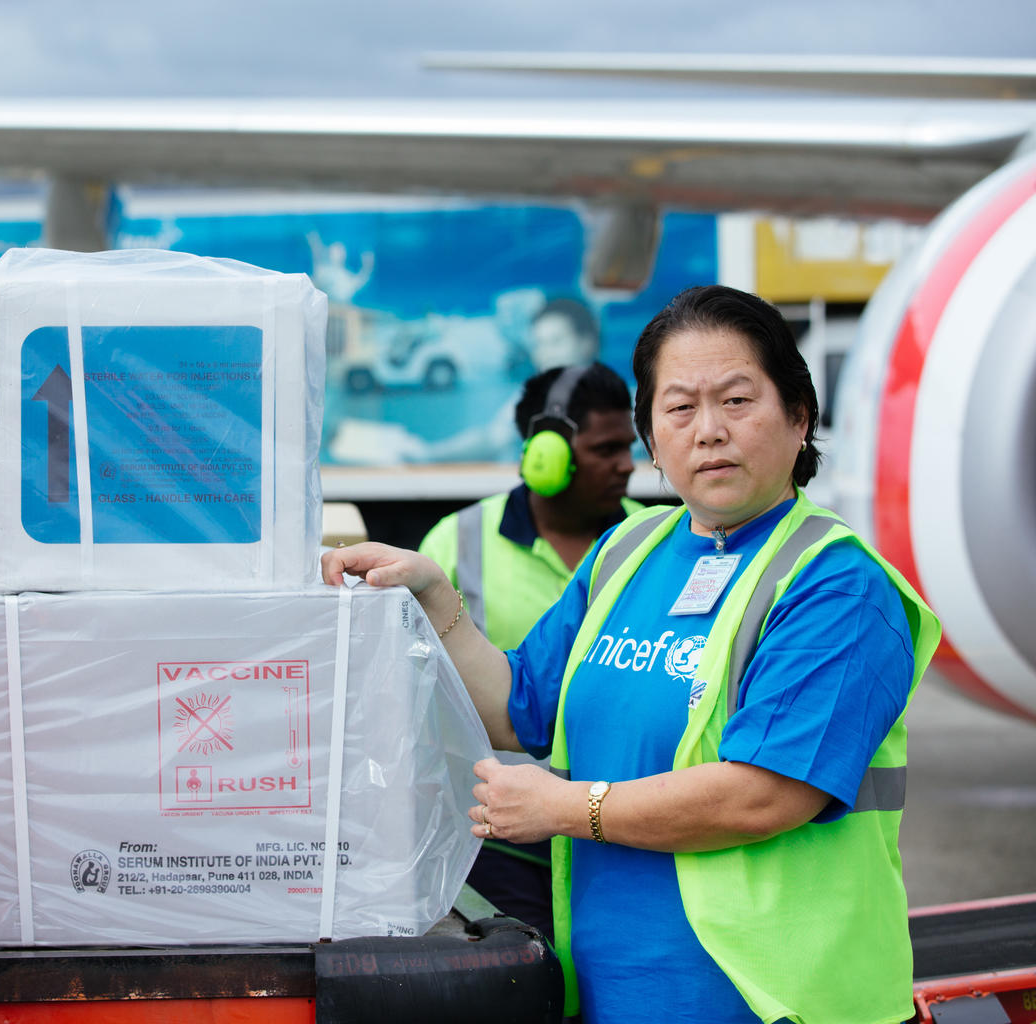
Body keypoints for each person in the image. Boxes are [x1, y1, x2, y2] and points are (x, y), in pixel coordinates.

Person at [323, 285, 940, 1024]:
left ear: (798, 416)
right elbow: (517, 709)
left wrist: (566, 807)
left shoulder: (836, 584)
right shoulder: (629, 549)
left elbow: (765, 793)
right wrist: (432, 597)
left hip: (782, 1003)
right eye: (679, 408)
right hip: (616, 995)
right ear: (652, 436)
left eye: (737, 401)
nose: (708, 431)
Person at [418, 363, 637, 937]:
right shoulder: (456, 542)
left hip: (619, 825)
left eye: (630, 446)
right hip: (498, 835)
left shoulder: (651, 542)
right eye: (606, 449)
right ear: (547, 454)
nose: (627, 465)